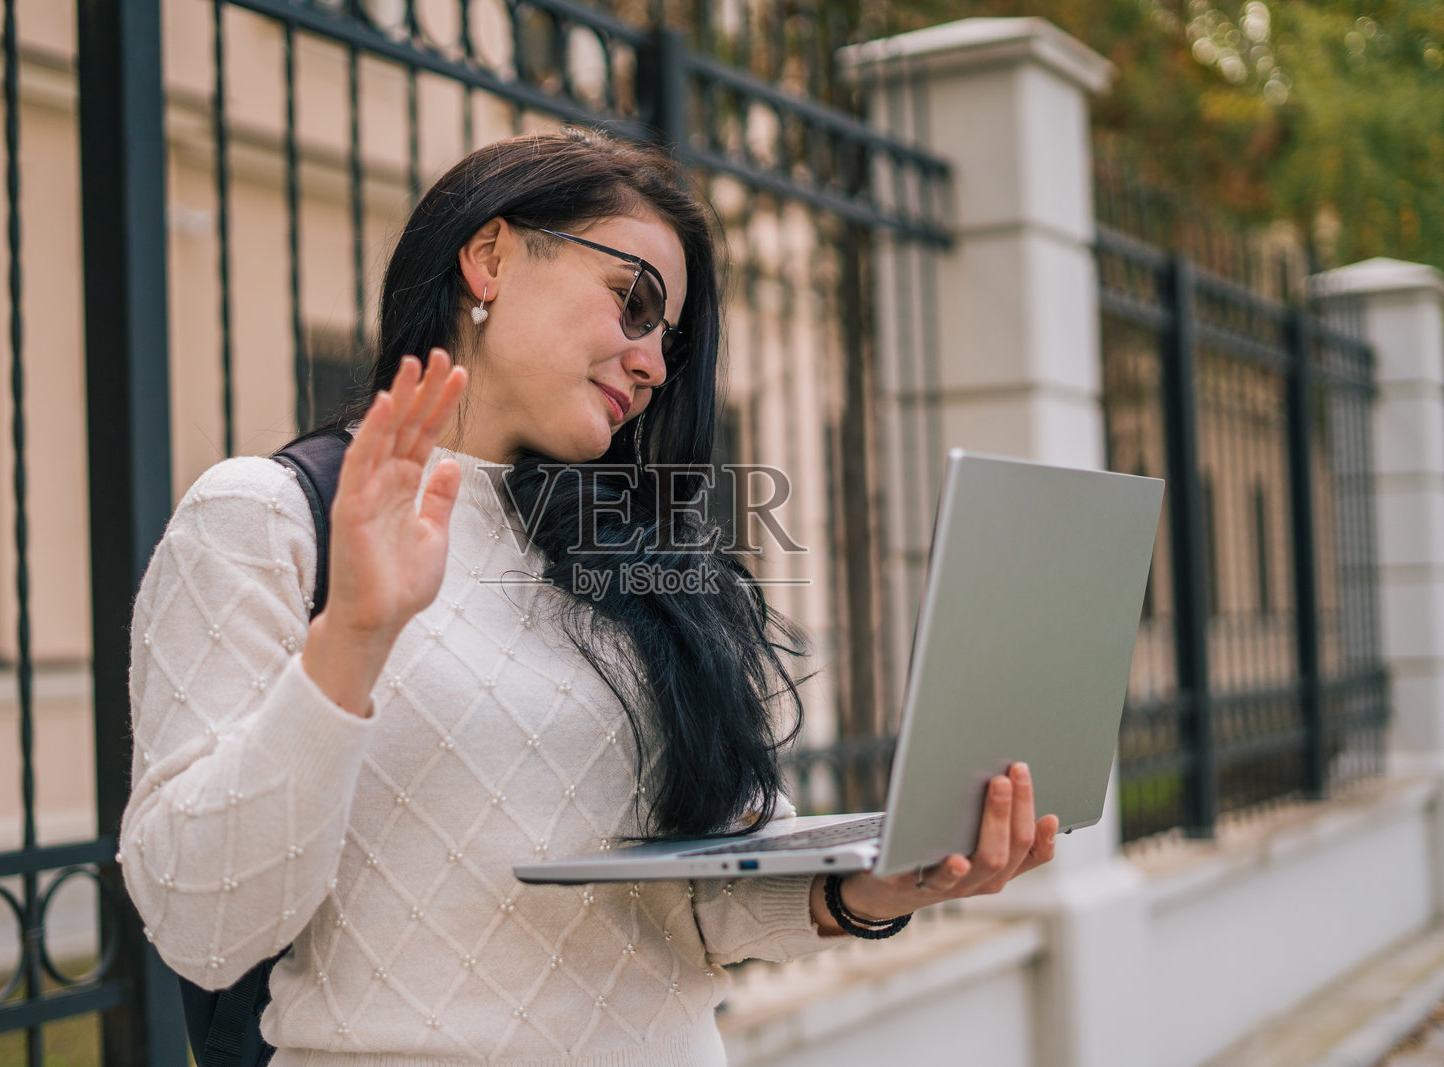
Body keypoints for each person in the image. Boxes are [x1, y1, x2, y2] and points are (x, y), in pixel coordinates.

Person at [119, 126, 1058, 1066]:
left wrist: (871, 888)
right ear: (490, 257)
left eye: (670, 339)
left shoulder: (633, 558)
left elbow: (693, 895)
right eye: (634, 301)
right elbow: (203, 924)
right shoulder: (263, 517)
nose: (653, 363)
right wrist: (353, 639)